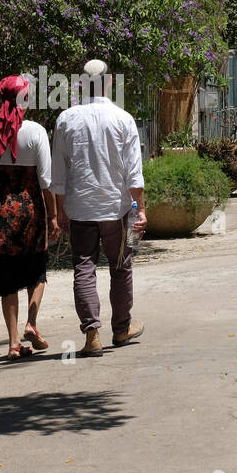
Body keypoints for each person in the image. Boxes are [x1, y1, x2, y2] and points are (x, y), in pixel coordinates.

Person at [50, 59, 146, 356]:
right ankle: (121, 329)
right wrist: (140, 209)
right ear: (108, 83)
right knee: (121, 268)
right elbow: (134, 172)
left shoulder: (66, 119)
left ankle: (92, 334)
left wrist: (61, 210)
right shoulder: (123, 119)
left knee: (84, 268)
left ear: (81, 84)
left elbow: (58, 174)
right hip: (118, 211)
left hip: (80, 210)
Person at [0, 75, 58, 360]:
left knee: (8, 277)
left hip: (0, 214)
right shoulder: (36, 132)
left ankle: (12, 343)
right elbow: (45, 181)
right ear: (24, 99)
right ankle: (31, 323)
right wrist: (55, 217)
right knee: (37, 270)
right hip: (30, 211)